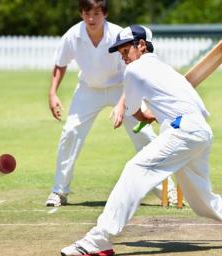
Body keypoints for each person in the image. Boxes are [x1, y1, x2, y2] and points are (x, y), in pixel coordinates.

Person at [61, 24, 222, 256]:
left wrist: (147, 116)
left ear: (142, 46)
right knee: (202, 202)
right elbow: (195, 108)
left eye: (126, 51)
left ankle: (98, 240)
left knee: (135, 169)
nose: (123, 58)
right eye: (120, 53)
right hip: (199, 131)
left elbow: (135, 111)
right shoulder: (167, 71)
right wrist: (157, 115)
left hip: (182, 131)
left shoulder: (135, 70)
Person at [46, 0, 177, 207]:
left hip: (121, 88)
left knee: (143, 133)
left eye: (96, 13)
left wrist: (122, 105)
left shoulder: (117, 35)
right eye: (87, 13)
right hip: (88, 89)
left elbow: (130, 73)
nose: (91, 19)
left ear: (104, 14)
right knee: (70, 132)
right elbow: (60, 64)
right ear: (81, 13)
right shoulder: (73, 35)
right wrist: (53, 93)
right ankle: (59, 191)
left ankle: (167, 192)